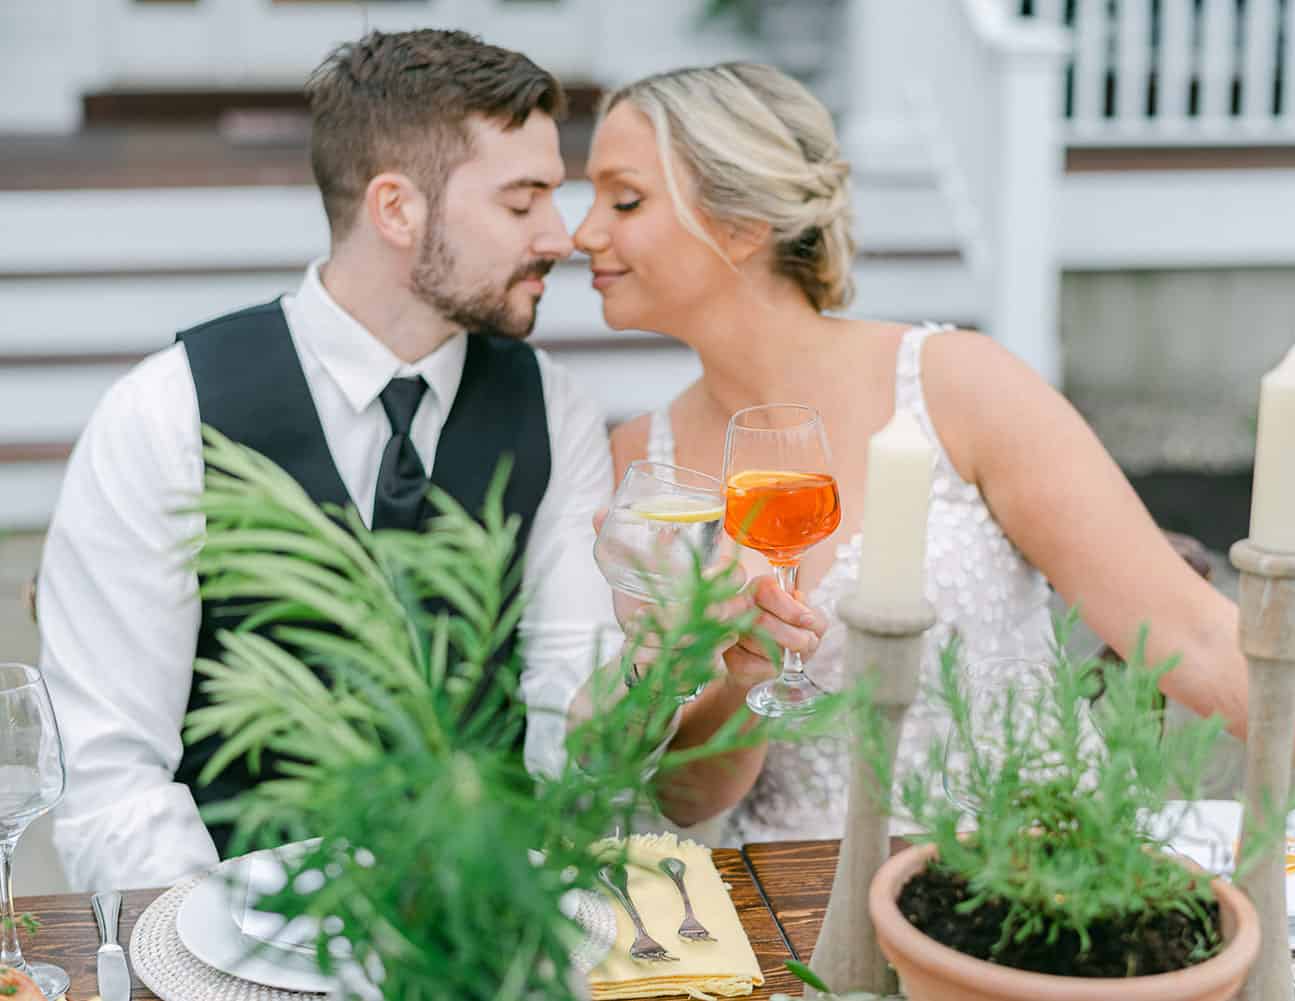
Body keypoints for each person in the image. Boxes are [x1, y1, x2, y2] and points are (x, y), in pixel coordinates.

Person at [573, 61, 1295, 852]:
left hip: (1041, 866)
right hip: (794, 909)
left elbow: (1200, 638)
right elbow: (686, 794)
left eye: (624, 199)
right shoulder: (639, 468)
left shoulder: (956, 384)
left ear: (741, 224)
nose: (584, 234)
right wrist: (738, 674)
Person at [37, 32, 814, 893]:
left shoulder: (554, 410)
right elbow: (108, 780)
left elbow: (572, 751)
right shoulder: (163, 416)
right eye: (523, 203)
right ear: (396, 209)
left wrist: (651, 670)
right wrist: (228, 959)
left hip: (487, 932)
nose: (561, 238)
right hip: (232, 936)